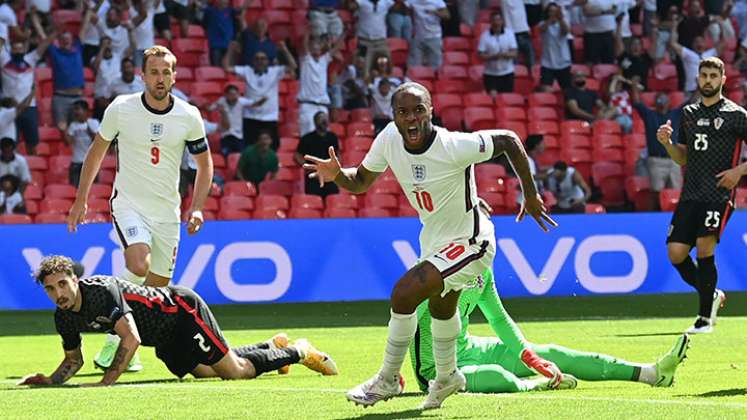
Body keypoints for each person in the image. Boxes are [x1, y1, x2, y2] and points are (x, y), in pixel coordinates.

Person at [304, 82, 557, 409]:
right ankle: (448, 376)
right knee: (441, 307)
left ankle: (388, 378)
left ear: (431, 111)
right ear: (393, 116)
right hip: (435, 240)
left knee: (404, 293)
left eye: (418, 110)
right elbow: (361, 182)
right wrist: (338, 174)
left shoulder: (452, 145)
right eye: (403, 112)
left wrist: (531, 194)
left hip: (472, 241)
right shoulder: (389, 139)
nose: (411, 118)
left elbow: (508, 140)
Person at [66, 46, 215, 370]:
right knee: (139, 261)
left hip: (167, 213)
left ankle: (116, 344)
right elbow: (96, 152)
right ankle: (106, 323)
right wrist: (81, 198)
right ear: (143, 75)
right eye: (154, 72)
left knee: (154, 292)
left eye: (166, 72)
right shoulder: (122, 108)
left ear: (174, 76)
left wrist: (198, 207)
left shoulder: (189, 116)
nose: (160, 78)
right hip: (129, 203)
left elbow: (205, 166)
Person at [18, 255, 337, 387]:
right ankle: (272, 346)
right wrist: (50, 380)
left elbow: (131, 339)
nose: (58, 292)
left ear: (75, 279)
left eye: (62, 284)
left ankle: (298, 350)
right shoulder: (63, 317)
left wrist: (106, 381)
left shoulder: (102, 290)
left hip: (181, 312)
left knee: (234, 373)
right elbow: (73, 360)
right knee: (206, 372)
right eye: (50, 288)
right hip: (166, 339)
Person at [410, 267, 691, 393]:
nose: (485, 246)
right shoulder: (430, 274)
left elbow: (498, 319)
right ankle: (535, 385)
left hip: (471, 348)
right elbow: (404, 321)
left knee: (554, 354)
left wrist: (530, 357)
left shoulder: (483, 271)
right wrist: (389, 371)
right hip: (437, 372)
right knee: (497, 376)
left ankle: (651, 374)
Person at [656, 57, 747, 334]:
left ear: (722, 80)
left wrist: (739, 172)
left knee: (705, 246)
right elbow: (682, 158)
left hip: (719, 192)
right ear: (698, 78)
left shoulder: (737, 114)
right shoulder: (688, 113)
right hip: (691, 192)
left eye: (712, 76)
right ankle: (713, 295)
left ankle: (704, 319)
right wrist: (667, 144)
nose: (707, 80)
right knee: (675, 253)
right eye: (703, 75)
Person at [224, 40, 296, 149]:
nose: (260, 61)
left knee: (272, 149)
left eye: (263, 59)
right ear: (253, 61)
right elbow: (227, 68)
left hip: (270, 118)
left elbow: (293, 66)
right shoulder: (247, 70)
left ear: (268, 61)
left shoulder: (275, 71)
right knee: (250, 148)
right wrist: (230, 50)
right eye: (257, 59)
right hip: (250, 118)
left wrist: (284, 50)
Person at [631, 82, 683, 209]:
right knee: (655, 192)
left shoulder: (675, 114)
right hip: (656, 160)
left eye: (664, 98)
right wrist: (634, 86)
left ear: (669, 101)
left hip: (673, 160)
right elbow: (636, 103)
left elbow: (693, 101)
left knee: (675, 192)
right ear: (655, 102)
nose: (662, 100)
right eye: (659, 98)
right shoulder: (650, 115)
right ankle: (654, 217)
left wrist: (700, 87)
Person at [297, 34, 342, 137]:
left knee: (323, 136)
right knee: (307, 136)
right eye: (313, 45)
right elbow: (304, 45)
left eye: (318, 44)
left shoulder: (324, 61)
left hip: (322, 106)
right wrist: (308, 30)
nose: (316, 47)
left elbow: (336, 48)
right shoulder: (306, 60)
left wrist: (344, 33)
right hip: (307, 104)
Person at [295, 111, 340, 198]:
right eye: (321, 118)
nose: (324, 120)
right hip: (313, 177)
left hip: (329, 177)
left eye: (325, 118)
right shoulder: (307, 138)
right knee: (313, 202)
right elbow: (297, 156)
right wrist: (309, 167)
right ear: (315, 122)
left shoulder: (333, 137)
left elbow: (337, 154)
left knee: (333, 201)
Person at [348, 0, 395, 79]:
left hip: (381, 41)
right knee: (365, 68)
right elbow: (350, 6)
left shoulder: (386, 2)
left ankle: (388, 85)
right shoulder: (361, 2)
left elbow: (398, 6)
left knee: (387, 65)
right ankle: (367, 88)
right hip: (364, 41)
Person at [477, 11, 518, 96]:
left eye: (498, 20)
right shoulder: (484, 36)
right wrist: (493, 57)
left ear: (502, 21)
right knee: (493, 97)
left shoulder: (509, 33)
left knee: (507, 99)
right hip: (490, 74)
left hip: (507, 73)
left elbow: (514, 53)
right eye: (494, 20)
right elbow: (480, 55)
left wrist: (504, 55)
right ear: (490, 22)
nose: (496, 23)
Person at [208, 84, 253, 156]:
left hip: (238, 136)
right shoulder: (221, 101)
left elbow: (254, 104)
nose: (234, 96)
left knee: (239, 158)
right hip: (226, 135)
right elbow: (210, 108)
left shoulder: (241, 101)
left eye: (236, 94)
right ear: (226, 94)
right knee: (226, 157)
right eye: (231, 94)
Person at [63, 100, 100, 187]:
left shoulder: (94, 123)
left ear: (86, 111)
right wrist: (64, 131)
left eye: (77, 109)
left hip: (91, 163)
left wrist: (89, 129)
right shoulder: (73, 125)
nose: (75, 112)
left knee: (92, 189)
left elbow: (97, 141)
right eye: (74, 110)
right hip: (76, 162)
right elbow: (68, 143)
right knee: (74, 189)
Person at [538, 2, 572, 91]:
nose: (553, 14)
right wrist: (550, 20)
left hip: (563, 62)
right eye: (551, 11)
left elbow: (565, 31)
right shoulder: (542, 23)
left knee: (567, 90)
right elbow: (542, 29)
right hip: (547, 62)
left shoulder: (563, 23)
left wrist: (560, 19)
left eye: (555, 12)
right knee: (545, 89)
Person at [406, 0, 449, 69]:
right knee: (414, 65)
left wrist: (435, 12)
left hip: (434, 36)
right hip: (418, 37)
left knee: (435, 65)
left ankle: (434, 79)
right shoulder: (412, 1)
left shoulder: (438, 2)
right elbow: (406, 11)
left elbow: (447, 15)